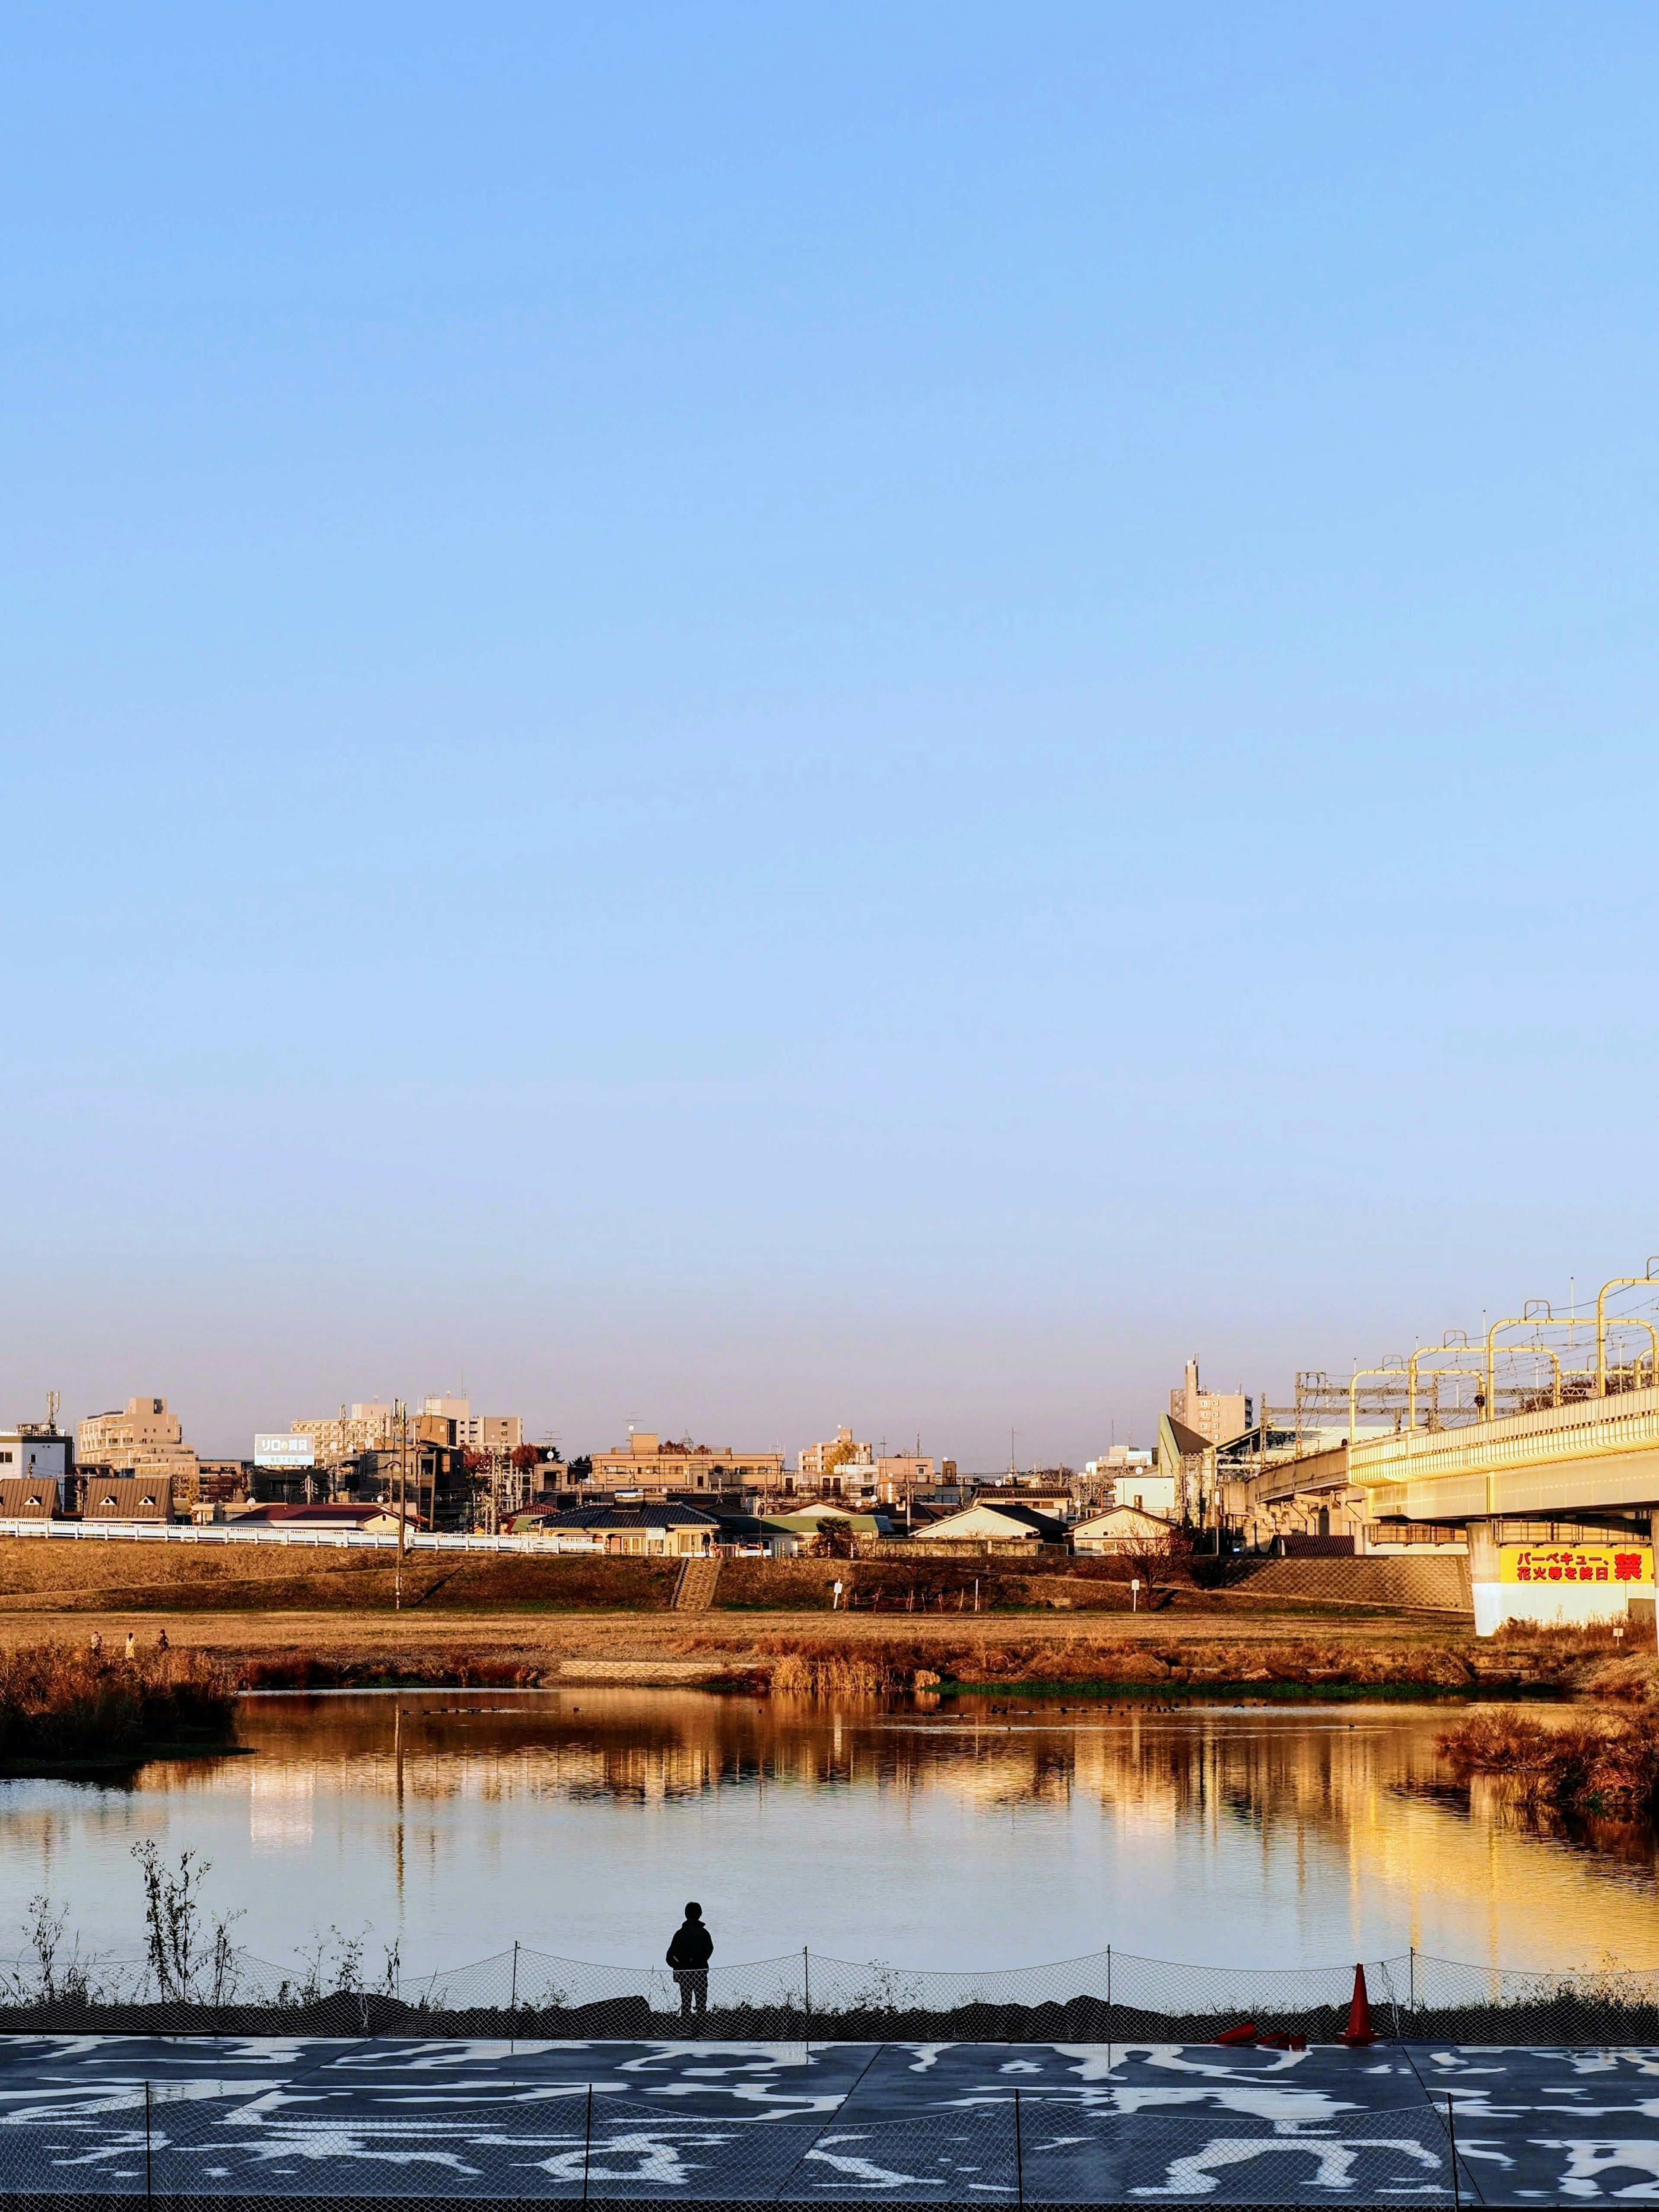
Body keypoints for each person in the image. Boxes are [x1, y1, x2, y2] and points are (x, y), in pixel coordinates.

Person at [666, 1902, 713, 2021]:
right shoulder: (704, 1933)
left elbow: (670, 1956)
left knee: (686, 2001)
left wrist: (678, 1966)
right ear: (700, 1914)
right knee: (702, 2003)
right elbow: (709, 1950)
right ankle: (702, 2024)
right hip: (700, 1972)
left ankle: (685, 2024)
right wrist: (699, 1961)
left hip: (684, 1973)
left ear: (686, 1914)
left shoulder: (680, 1934)